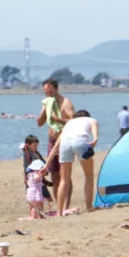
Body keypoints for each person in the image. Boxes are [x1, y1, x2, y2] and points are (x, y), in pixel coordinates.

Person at [43, 110, 99, 213]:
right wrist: (95, 139)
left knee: (64, 180)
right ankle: (89, 206)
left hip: (65, 143)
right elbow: (95, 131)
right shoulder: (91, 120)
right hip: (80, 141)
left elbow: (55, 147)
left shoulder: (69, 124)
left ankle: (59, 211)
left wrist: (46, 165)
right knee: (89, 175)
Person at [36, 78, 74, 209]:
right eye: (46, 92)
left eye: (50, 92)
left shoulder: (65, 103)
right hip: (52, 141)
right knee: (55, 175)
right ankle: (60, 205)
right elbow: (39, 123)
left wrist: (57, 119)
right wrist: (45, 109)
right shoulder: (47, 103)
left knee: (65, 175)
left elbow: (73, 121)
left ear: (56, 89)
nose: (48, 95)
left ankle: (66, 206)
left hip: (64, 141)